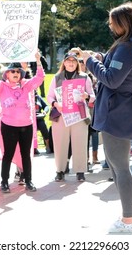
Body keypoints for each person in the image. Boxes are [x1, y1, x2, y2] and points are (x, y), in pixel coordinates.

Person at [80, 2, 132, 233]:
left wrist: (90, 61)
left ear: (123, 23)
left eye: (113, 23)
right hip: (123, 107)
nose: (111, 27)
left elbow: (111, 79)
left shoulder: (128, 47)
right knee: (116, 165)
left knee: (120, 167)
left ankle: (129, 221)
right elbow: (118, 72)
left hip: (117, 109)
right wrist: (102, 59)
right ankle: (126, 216)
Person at [0, 51, 45, 193]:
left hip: (26, 125)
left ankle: (28, 181)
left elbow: (40, 78)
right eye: (12, 71)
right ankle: (4, 182)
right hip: (9, 126)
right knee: (8, 154)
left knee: (26, 154)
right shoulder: (2, 87)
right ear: (7, 74)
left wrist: (38, 60)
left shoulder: (26, 85)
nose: (15, 73)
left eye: (18, 71)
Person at [47, 52, 95, 182]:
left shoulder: (84, 77)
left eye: (74, 61)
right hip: (61, 115)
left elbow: (93, 96)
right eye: (68, 61)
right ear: (64, 62)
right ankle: (60, 170)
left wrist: (87, 96)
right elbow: (49, 96)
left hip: (79, 115)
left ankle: (80, 171)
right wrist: (55, 104)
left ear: (77, 63)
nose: (71, 63)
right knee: (60, 144)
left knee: (80, 143)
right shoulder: (57, 77)